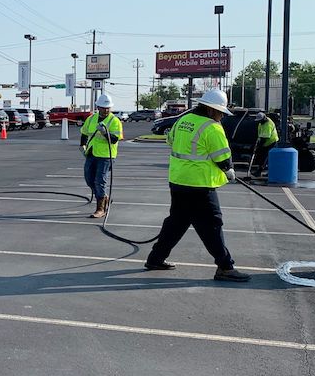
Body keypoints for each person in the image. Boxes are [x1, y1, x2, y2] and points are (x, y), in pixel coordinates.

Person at [144, 88, 251, 282]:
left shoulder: (181, 122)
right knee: (212, 224)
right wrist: (229, 170)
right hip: (200, 185)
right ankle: (225, 267)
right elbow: (222, 157)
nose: (221, 116)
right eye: (220, 112)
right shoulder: (211, 127)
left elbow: (171, 141)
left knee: (177, 222)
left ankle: (155, 258)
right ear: (212, 110)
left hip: (178, 182)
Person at [80, 93, 124, 219]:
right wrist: (82, 145)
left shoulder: (114, 121)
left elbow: (115, 139)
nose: (106, 110)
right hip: (91, 153)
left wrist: (105, 133)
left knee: (100, 181)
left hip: (106, 156)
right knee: (89, 179)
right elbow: (84, 132)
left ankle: (101, 208)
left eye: (108, 108)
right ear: (98, 107)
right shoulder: (91, 119)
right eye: (103, 107)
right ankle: (104, 197)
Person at [250, 111, 278, 177]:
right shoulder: (261, 123)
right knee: (263, 157)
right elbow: (260, 134)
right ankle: (260, 171)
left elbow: (264, 138)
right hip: (265, 142)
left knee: (266, 157)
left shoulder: (268, 124)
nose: (259, 122)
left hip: (271, 142)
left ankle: (261, 172)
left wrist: (258, 147)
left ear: (264, 119)